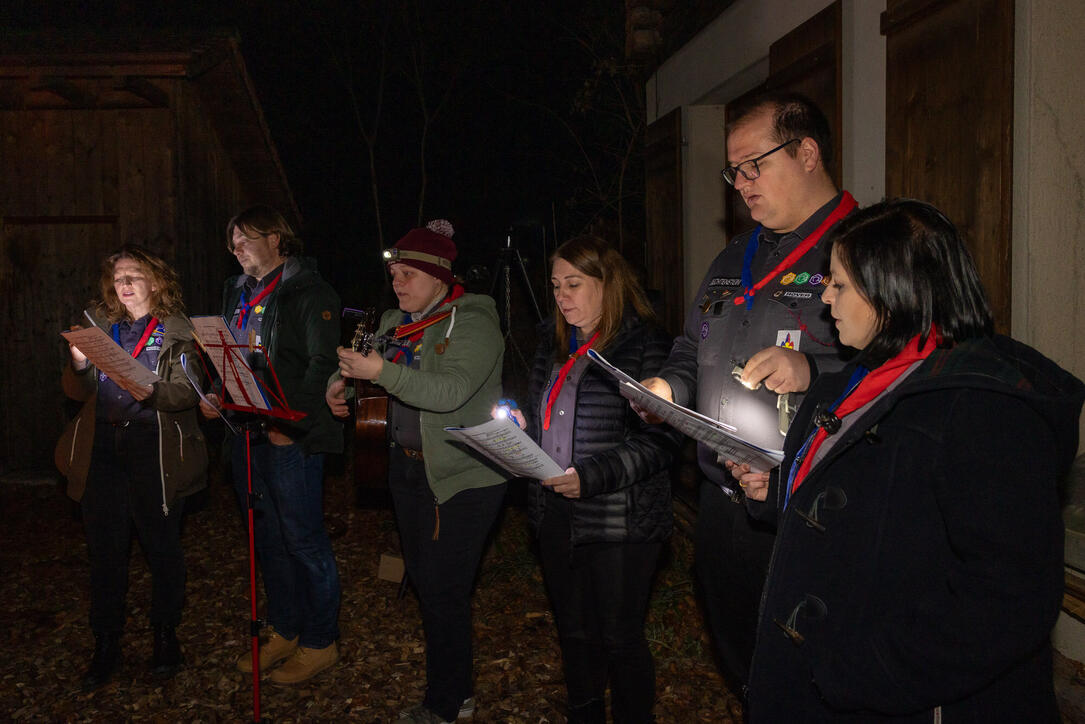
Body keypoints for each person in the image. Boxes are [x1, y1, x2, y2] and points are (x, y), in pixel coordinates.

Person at [742, 199, 1084, 721]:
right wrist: (780, 487)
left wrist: (864, 673)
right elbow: (866, 497)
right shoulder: (862, 378)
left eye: (839, 285)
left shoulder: (986, 409)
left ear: (893, 289)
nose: (825, 300)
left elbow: (1009, 595)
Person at [636, 92, 850, 687]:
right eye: (735, 171)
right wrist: (667, 388)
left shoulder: (867, 248)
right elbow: (690, 346)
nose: (742, 184)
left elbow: (905, 374)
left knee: (811, 675)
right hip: (722, 509)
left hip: (810, 511)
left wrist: (813, 374)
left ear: (807, 152)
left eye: (755, 165)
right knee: (743, 665)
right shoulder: (735, 256)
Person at [328, 220, 506, 724]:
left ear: (440, 278)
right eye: (394, 274)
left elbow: (448, 391)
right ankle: (454, 687)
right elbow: (361, 361)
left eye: (409, 274)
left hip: (463, 478)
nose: (398, 283)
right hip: (406, 473)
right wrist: (336, 384)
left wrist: (380, 372)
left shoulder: (474, 323)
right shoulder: (393, 322)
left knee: (445, 591)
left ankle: (449, 703)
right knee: (430, 587)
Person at [505, 235, 681, 723]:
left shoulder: (647, 344)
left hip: (620, 521)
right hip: (555, 513)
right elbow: (546, 414)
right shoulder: (553, 343)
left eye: (574, 284)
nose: (562, 296)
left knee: (619, 638)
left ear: (609, 284)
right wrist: (519, 431)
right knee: (575, 635)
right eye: (556, 285)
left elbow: (663, 441)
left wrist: (591, 476)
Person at [199, 205, 343, 685]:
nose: (236, 248)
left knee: (303, 539)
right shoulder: (236, 292)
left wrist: (292, 423)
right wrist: (219, 392)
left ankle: (321, 641)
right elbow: (232, 355)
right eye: (232, 241)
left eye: (246, 238)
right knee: (267, 540)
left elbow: (322, 364)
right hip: (242, 433)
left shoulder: (309, 290)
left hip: (287, 436)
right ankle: (285, 628)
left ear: (278, 238)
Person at [58, 245, 208, 690]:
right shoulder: (97, 326)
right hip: (103, 450)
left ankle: (165, 635)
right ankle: (106, 643)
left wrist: (148, 388)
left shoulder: (178, 332)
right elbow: (76, 392)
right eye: (118, 277)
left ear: (156, 283)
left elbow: (188, 392)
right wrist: (80, 364)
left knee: (162, 550)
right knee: (105, 555)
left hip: (155, 451)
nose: (123, 284)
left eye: (134, 276)